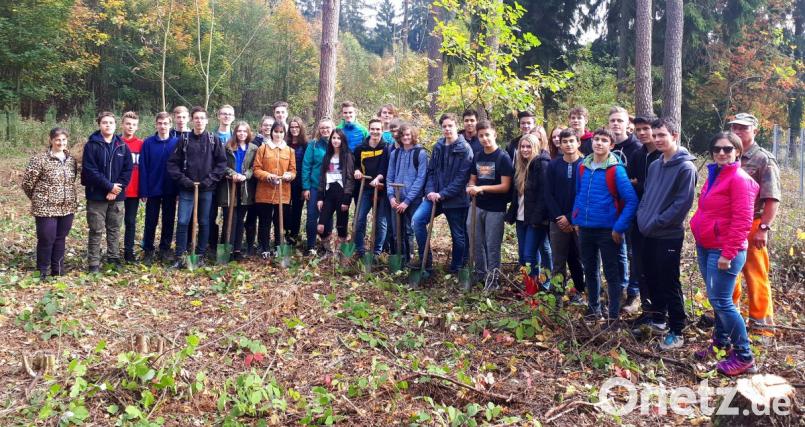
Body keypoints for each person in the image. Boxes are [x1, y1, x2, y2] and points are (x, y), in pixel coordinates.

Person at [690, 132, 759, 375]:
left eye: (728, 149)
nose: (722, 153)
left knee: (722, 301)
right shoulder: (715, 175)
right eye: (717, 149)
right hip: (707, 244)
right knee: (717, 299)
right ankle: (721, 342)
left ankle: (744, 356)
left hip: (724, 250)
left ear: (738, 151)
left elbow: (743, 221)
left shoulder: (740, 180)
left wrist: (728, 254)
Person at [635, 117, 697, 349]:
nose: (658, 139)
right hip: (647, 231)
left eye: (663, 135)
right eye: (655, 135)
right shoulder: (655, 165)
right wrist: (643, 218)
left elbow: (681, 205)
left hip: (668, 235)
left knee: (669, 281)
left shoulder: (685, 167)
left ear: (674, 136)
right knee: (651, 277)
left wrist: (656, 222)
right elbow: (647, 196)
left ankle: (677, 329)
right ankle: (659, 319)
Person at [572, 128, 637, 321]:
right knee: (590, 271)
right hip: (585, 229)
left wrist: (619, 227)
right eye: (596, 140)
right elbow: (579, 193)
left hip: (608, 231)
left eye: (603, 140)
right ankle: (594, 309)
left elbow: (631, 200)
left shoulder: (616, 169)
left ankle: (613, 315)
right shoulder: (583, 166)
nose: (599, 143)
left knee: (612, 273)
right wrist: (576, 219)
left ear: (611, 145)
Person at [728, 113, 781, 338]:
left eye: (743, 128)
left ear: (755, 131)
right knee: (730, 273)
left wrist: (763, 228)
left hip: (753, 224)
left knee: (755, 274)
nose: (738, 132)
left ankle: (762, 327)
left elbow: (772, 198)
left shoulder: (763, 159)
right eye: (735, 128)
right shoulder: (729, 155)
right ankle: (731, 320)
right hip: (730, 225)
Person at [412, 113, 473, 276]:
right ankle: (426, 261)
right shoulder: (438, 146)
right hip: (434, 197)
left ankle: (457, 267)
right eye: (444, 126)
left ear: (456, 125)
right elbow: (431, 171)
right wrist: (431, 191)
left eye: (450, 126)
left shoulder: (465, 149)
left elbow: (462, 179)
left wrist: (443, 194)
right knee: (417, 221)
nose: (447, 129)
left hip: (456, 200)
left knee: (458, 235)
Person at [167, 106, 227, 269]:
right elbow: (172, 164)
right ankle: (180, 256)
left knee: (204, 221)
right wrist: (184, 181)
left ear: (207, 121)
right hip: (187, 189)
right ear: (192, 120)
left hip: (206, 189)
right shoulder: (184, 140)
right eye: (196, 118)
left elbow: (221, 164)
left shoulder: (214, 140)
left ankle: (199, 255)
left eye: (202, 118)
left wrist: (209, 180)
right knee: (183, 221)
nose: (199, 121)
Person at [21, 128, 78, 279]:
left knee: (60, 238)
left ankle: (57, 270)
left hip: (67, 207)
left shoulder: (71, 160)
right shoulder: (40, 159)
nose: (61, 143)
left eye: (64, 140)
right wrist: (39, 198)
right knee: (47, 238)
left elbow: (72, 181)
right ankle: (42, 271)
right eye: (58, 139)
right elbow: (27, 183)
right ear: (51, 140)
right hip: (45, 207)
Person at [82, 112, 134, 273]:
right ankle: (94, 263)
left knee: (114, 228)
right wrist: (108, 186)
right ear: (99, 124)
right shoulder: (91, 145)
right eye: (105, 122)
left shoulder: (122, 146)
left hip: (117, 196)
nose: (108, 125)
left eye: (111, 122)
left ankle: (113, 258)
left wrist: (116, 188)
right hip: (97, 195)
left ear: (115, 125)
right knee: (96, 230)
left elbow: (127, 169)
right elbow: (90, 170)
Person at [465, 121, 513, 290]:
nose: (485, 139)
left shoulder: (503, 157)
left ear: (495, 134)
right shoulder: (478, 156)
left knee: (492, 245)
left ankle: (493, 280)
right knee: (475, 241)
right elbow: (472, 178)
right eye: (481, 136)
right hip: (477, 206)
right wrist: (471, 187)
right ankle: (480, 273)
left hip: (495, 209)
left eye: (487, 135)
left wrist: (482, 188)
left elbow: (505, 186)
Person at [625, 115, 661, 316]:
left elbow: (658, 188)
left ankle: (659, 311)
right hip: (637, 215)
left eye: (645, 129)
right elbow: (629, 181)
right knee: (639, 262)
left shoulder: (664, 156)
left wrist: (639, 184)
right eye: (638, 130)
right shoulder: (638, 155)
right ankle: (646, 309)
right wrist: (637, 185)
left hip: (659, 219)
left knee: (657, 266)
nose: (641, 133)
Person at [608, 106, 643, 312]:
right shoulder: (606, 146)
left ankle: (634, 293)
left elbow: (640, 180)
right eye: (612, 121)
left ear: (627, 125)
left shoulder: (637, 149)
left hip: (634, 209)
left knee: (633, 252)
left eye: (619, 121)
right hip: (612, 210)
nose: (616, 124)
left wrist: (629, 184)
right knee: (615, 251)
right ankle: (618, 289)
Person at [545, 129, 586, 303]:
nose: (568, 144)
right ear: (559, 145)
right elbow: (548, 194)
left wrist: (571, 218)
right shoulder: (553, 165)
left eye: (571, 141)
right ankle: (557, 294)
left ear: (578, 142)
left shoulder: (586, 165)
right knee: (559, 259)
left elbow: (585, 195)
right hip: (557, 221)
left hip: (579, 221)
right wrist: (559, 217)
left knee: (578, 258)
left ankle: (579, 291)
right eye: (565, 141)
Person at [505, 133, 550, 287]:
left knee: (530, 255)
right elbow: (516, 196)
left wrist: (537, 219)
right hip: (521, 217)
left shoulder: (541, 164)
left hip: (535, 220)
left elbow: (545, 195)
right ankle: (529, 286)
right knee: (523, 257)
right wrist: (511, 213)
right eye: (522, 146)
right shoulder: (520, 166)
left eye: (528, 146)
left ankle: (533, 290)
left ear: (535, 147)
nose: (525, 149)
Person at [139, 112, 180, 264]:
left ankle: (165, 248)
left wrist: (178, 191)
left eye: (166, 123)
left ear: (170, 125)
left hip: (170, 189)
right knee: (151, 221)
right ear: (156, 125)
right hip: (153, 189)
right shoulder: (148, 143)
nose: (163, 126)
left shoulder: (177, 142)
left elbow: (180, 168)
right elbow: (143, 167)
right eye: (160, 123)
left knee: (168, 220)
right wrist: (144, 190)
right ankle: (148, 249)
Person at [387, 123, 428, 264]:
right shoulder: (395, 154)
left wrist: (407, 201)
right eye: (403, 135)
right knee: (397, 231)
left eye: (408, 135)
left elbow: (420, 179)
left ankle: (411, 258)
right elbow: (389, 176)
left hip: (413, 199)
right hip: (396, 198)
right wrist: (391, 197)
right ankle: (401, 260)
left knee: (410, 229)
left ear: (413, 136)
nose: (406, 137)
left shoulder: (420, 154)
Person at [253, 122, 296, 257]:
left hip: (282, 193)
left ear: (284, 134)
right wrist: (268, 176)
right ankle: (264, 248)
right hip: (264, 192)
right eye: (276, 132)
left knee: (279, 222)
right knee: (265, 221)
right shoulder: (263, 148)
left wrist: (289, 175)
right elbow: (256, 169)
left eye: (281, 132)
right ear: (271, 132)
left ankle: (278, 248)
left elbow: (293, 170)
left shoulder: (289, 151)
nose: (278, 134)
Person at [218, 121, 258, 261]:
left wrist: (245, 175)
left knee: (240, 220)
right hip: (230, 187)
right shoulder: (228, 147)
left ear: (248, 133)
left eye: (244, 131)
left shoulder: (253, 148)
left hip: (245, 189)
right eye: (239, 131)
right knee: (230, 219)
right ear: (235, 133)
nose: (242, 134)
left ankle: (237, 250)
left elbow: (255, 167)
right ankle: (225, 249)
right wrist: (232, 174)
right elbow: (221, 165)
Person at [352, 118, 390, 258]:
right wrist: (356, 170)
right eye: (372, 129)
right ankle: (360, 249)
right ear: (369, 130)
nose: (375, 132)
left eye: (378, 129)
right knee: (359, 218)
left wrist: (379, 178)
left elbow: (387, 167)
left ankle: (377, 252)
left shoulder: (387, 147)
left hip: (382, 189)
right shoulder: (360, 148)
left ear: (382, 130)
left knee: (380, 221)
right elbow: (355, 164)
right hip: (365, 188)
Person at [316, 129, 355, 255]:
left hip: (342, 194)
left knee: (341, 226)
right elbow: (322, 177)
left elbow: (350, 178)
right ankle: (328, 251)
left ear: (342, 140)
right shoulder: (327, 156)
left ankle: (340, 253)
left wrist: (347, 199)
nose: (336, 140)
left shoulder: (347, 155)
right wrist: (320, 197)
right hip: (328, 194)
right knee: (321, 227)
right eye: (334, 138)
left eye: (338, 138)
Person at [243, 115, 274, 254]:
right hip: (252, 184)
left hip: (268, 186)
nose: (267, 127)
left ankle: (263, 244)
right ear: (261, 126)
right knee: (251, 215)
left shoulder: (277, 143)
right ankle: (250, 244)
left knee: (265, 217)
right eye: (265, 125)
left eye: (270, 125)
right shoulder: (254, 142)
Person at [302, 118, 334, 253]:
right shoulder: (313, 145)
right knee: (311, 216)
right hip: (315, 186)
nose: (325, 130)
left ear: (332, 128)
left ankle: (326, 245)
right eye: (322, 128)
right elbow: (306, 165)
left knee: (328, 216)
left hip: (332, 187)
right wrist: (306, 187)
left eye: (327, 127)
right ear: (319, 130)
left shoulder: (337, 143)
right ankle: (310, 246)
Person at [208, 104, 236, 253]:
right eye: (224, 114)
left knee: (228, 215)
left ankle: (225, 245)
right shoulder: (211, 136)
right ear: (218, 116)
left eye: (229, 114)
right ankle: (211, 245)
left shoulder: (236, 136)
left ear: (233, 117)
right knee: (210, 214)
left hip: (229, 183)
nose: (226, 116)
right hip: (212, 181)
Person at [120, 111, 143, 262]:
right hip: (117, 191)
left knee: (130, 222)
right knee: (113, 224)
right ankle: (113, 253)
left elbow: (145, 169)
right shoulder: (116, 142)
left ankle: (129, 252)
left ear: (137, 127)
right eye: (128, 124)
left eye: (133, 125)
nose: (130, 127)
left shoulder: (141, 145)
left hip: (134, 191)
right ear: (122, 124)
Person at [286, 117, 308, 247]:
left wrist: (305, 185)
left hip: (300, 182)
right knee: (285, 209)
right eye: (292, 127)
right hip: (286, 181)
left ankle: (294, 235)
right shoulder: (285, 143)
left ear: (301, 128)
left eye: (297, 127)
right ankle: (285, 233)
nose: (294, 129)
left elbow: (306, 164)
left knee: (297, 209)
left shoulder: (306, 144)